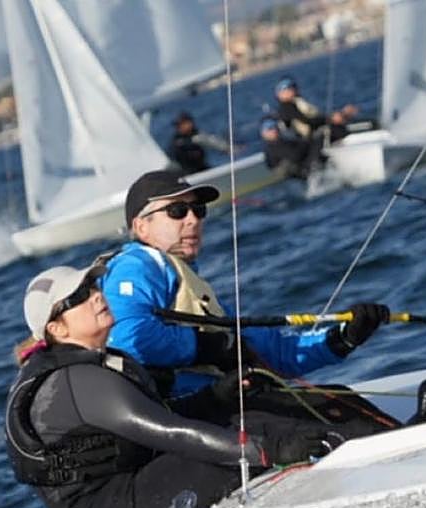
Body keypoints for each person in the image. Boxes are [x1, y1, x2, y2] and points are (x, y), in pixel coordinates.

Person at [5, 264, 345, 508]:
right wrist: (268, 449)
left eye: (93, 287)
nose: (95, 295)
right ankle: (348, 472)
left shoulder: (105, 362)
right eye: (79, 296)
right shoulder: (74, 381)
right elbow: (169, 432)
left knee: (254, 413)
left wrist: (215, 397)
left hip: (127, 495)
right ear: (58, 330)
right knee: (254, 429)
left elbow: (158, 419)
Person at [97, 169, 396, 433]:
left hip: (228, 404)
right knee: (332, 410)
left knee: (335, 399)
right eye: (177, 210)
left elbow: (270, 353)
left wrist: (342, 339)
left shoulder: (187, 281)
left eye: (198, 210)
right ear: (141, 226)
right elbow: (126, 337)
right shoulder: (136, 265)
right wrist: (207, 348)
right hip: (189, 417)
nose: (193, 220)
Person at [273, 77, 370, 144]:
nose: (291, 90)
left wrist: (341, 115)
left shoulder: (297, 103)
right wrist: (332, 118)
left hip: (319, 132)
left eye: (292, 86)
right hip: (313, 140)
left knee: (367, 123)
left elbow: (315, 117)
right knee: (339, 130)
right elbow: (307, 121)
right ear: (279, 94)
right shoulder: (286, 108)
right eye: (286, 88)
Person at [260, 116, 325, 180]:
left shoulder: (281, 140)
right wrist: (306, 142)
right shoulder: (273, 146)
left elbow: (297, 144)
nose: (274, 130)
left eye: (275, 126)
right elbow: (295, 155)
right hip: (297, 174)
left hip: (301, 169)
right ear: (264, 133)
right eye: (270, 128)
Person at [168, 111, 231, 175]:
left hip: (200, 168)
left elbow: (212, 142)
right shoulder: (176, 141)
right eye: (177, 125)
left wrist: (226, 148)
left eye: (181, 124)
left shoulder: (198, 135)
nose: (179, 127)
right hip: (185, 172)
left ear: (189, 123)